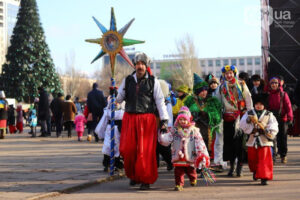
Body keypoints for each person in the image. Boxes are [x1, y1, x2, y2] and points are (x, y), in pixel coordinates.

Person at [116, 52, 169, 190]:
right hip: (129, 118)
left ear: (146, 66)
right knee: (128, 149)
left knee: (145, 151)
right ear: (134, 65)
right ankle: (134, 175)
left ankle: (145, 179)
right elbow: (120, 98)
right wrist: (115, 95)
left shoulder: (153, 81)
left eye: (142, 64)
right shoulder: (127, 80)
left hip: (146, 119)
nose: (139, 66)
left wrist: (164, 119)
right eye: (137, 64)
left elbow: (160, 101)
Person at [158, 106, 210, 191]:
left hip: (189, 154)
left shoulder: (193, 130)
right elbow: (167, 139)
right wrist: (162, 135)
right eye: (180, 119)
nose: (182, 121)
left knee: (191, 170)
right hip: (178, 155)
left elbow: (200, 141)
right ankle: (179, 184)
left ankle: (193, 179)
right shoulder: (174, 130)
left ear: (188, 119)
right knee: (178, 171)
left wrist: (202, 152)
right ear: (177, 120)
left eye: (184, 119)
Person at [216, 65, 253, 177]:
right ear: (224, 75)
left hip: (241, 118)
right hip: (227, 118)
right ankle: (231, 167)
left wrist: (250, 113)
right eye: (227, 74)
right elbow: (218, 102)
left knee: (240, 144)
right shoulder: (221, 87)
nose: (229, 75)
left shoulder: (241, 84)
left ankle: (240, 168)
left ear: (234, 73)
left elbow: (248, 98)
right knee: (228, 144)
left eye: (231, 73)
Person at [240, 93, 278, 185]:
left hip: (264, 141)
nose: (259, 106)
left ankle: (264, 177)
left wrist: (266, 130)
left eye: (261, 104)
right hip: (252, 140)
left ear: (264, 105)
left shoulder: (269, 114)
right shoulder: (249, 113)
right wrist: (250, 125)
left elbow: (274, 125)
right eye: (257, 104)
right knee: (253, 159)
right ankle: (255, 172)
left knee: (264, 159)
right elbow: (242, 124)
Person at [184, 73, 222, 158]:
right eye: (201, 90)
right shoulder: (190, 101)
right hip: (195, 130)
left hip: (208, 130)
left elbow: (217, 116)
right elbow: (184, 114)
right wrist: (194, 115)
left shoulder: (212, 101)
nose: (204, 92)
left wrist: (207, 114)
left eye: (205, 90)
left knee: (207, 150)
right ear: (197, 92)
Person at [95, 88, 124, 172]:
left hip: (119, 128)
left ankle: (117, 163)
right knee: (108, 146)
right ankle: (107, 164)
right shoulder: (108, 105)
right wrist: (101, 130)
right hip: (109, 128)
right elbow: (105, 118)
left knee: (117, 146)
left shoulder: (122, 104)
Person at [267, 77, 293, 163]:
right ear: (270, 85)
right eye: (272, 83)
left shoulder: (283, 94)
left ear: (279, 84)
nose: (274, 85)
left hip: (283, 118)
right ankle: (273, 156)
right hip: (272, 119)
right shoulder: (268, 94)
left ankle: (283, 155)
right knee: (272, 137)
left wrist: (290, 117)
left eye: (275, 83)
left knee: (283, 138)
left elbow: (288, 106)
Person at [156, 79, 174, 171]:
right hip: (154, 126)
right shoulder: (154, 101)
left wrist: (166, 126)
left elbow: (169, 116)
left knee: (164, 148)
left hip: (163, 127)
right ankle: (155, 165)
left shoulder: (167, 103)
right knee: (154, 147)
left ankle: (170, 162)